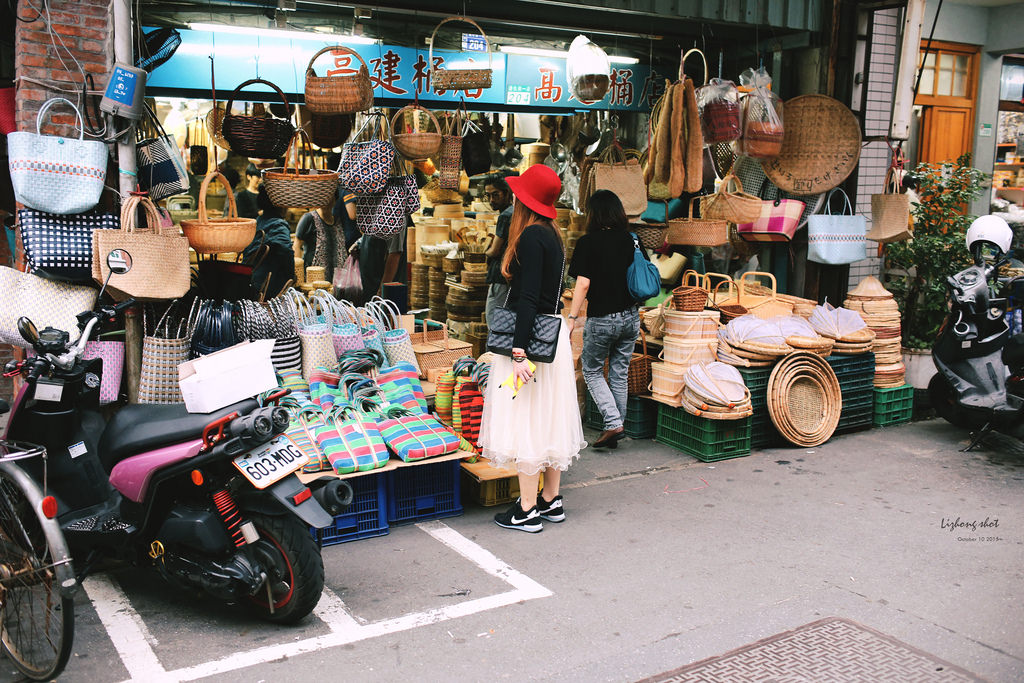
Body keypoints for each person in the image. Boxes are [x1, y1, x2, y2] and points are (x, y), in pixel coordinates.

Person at [480, 164, 585, 533]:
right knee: (549, 419)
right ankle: (550, 499)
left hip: (531, 342)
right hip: (551, 337)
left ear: (525, 201)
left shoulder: (529, 237)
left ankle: (526, 509)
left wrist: (518, 352)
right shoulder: (553, 235)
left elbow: (526, 299)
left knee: (525, 419)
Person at [566, 190, 647, 449]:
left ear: (594, 214)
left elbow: (583, 284)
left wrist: (571, 317)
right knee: (619, 374)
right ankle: (616, 427)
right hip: (631, 317)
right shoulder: (633, 240)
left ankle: (613, 423)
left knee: (591, 370)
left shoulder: (588, 242)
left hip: (602, 319)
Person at [244, 186, 294, 298]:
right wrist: (291, 278)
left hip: (252, 283)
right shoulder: (278, 224)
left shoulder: (257, 221)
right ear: (280, 206)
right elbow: (286, 252)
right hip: (269, 288)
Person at [296, 192, 350, 283]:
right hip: (314, 278)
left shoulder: (338, 221)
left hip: (337, 280)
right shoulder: (309, 218)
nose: (325, 203)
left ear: (334, 200)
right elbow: (297, 246)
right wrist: (299, 276)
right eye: (322, 199)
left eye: (328, 199)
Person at [484, 174, 515, 326]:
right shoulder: (516, 212)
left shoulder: (505, 216)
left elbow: (495, 250)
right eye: (488, 195)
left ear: (507, 193)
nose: (491, 200)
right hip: (511, 274)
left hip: (500, 275)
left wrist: (484, 252)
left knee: (494, 321)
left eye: (495, 195)